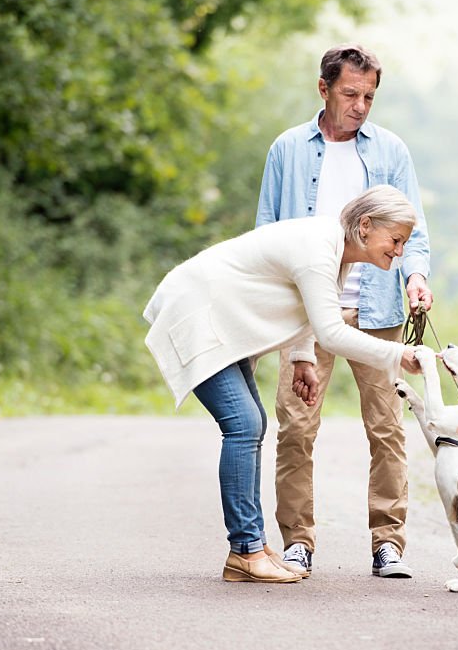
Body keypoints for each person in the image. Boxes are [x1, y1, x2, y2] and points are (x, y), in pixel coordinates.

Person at [143, 187, 422, 584]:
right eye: (396, 240)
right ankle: (244, 550)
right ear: (365, 226)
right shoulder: (319, 249)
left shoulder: (333, 249)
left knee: (251, 423)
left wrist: (302, 358)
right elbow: (332, 332)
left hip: (225, 320)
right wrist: (398, 356)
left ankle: (252, 545)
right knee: (243, 425)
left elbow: (307, 310)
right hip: (199, 313)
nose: (399, 252)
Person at [256, 43, 433, 578]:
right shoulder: (287, 150)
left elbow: (414, 228)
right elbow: (268, 229)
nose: (360, 105)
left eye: (370, 97)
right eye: (351, 94)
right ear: (324, 88)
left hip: (376, 308)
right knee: (296, 425)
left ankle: (389, 544)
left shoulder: (391, 151)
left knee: (386, 428)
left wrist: (415, 276)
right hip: (307, 310)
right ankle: (297, 543)